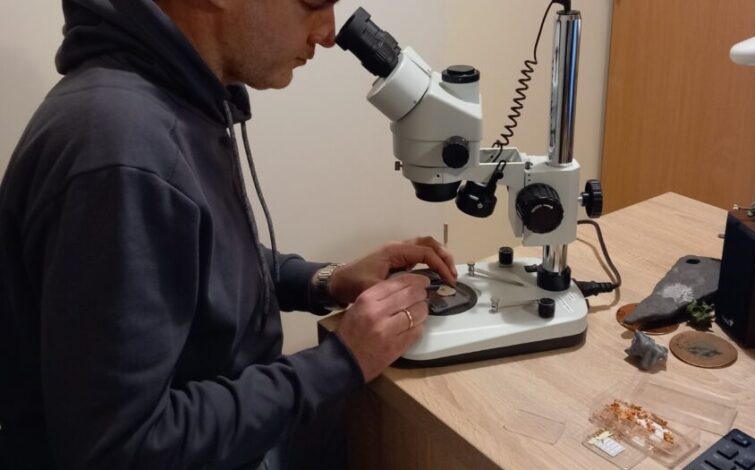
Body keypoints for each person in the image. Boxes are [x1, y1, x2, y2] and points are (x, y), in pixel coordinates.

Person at [0, 0, 458, 469]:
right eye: (313, 5)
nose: (327, 34)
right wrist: (341, 362)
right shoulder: (122, 149)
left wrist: (323, 280)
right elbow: (126, 448)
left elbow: (195, 262)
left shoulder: (170, 102)